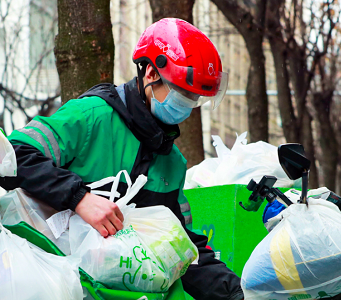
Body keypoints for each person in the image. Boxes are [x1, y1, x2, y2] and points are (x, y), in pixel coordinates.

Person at [0, 18, 243, 300]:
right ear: (151, 72)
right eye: (183, 93)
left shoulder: (172, 163)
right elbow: (13, 155)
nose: (188, 106)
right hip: (43, 281)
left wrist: (237, 293)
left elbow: (183, 250)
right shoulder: (91, 116)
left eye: (195, 99)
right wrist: (79, 198)